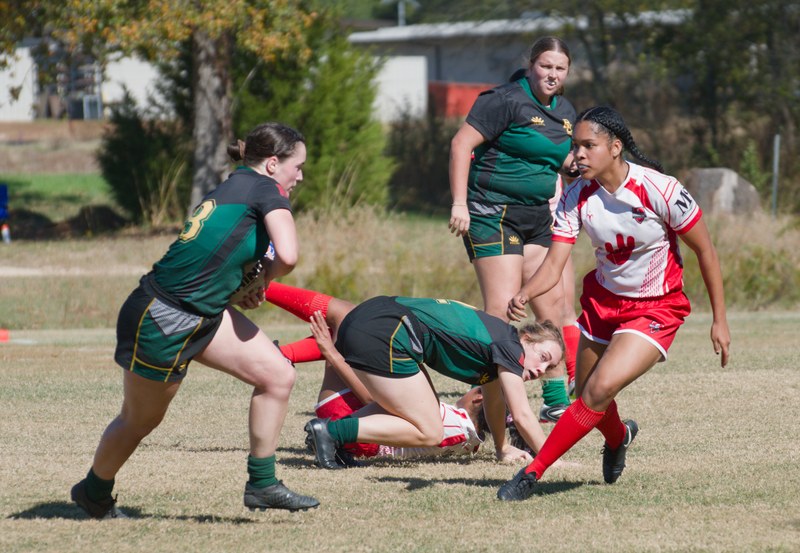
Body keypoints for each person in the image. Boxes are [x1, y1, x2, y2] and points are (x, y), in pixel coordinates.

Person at [70, 122, 319, 519]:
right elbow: (287, 256)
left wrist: (245, 281)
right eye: (298, 166)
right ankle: (93, 491)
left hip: (202, 313)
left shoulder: (235, 183)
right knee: (140, 421)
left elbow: (221, 252)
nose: (300, 175)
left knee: (277, 375)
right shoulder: (266, 189)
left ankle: (263, 483)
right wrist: (264, 276)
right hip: (165, 316)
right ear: (273, 164)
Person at [497, 106, 731, 501]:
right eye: (576, 146)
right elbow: (555, 263)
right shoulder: (576, 196)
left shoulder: (661, 189)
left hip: (656, 307)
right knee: (586, 393)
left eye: (589, 145)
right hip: (603, 305)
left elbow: (706, 251)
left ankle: (532, 473)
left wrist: (719, 320)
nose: (579, 154)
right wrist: (526, 292)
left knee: (598, 389)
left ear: (616, 147)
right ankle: (620, 436)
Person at [448, 37, 577, 421]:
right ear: (531, 64)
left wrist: (581, 164)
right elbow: (460, 145)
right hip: (492, 213)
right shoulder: (503, 99)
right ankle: (494, 410)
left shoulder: (567, 110)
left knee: (552, 308)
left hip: (538, 215)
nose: (552, 75)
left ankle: (555, 402)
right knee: (501, 315)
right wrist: (459, 204)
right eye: (546, 66)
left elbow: (559, 159)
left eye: (560, 68)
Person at [302, 295, 566, 470]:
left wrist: (502, 447)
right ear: (527, 338)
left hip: (374, 318)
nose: (541, 369)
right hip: (390, 331)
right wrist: (550, 460)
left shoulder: (500, 346)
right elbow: (521, 414)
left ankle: (329, 434)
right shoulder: (510, 348)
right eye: (542, 357)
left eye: (549, 367)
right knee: (431, 431)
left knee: (411, 409)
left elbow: (495, 402)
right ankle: (330, 433)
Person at [264, 282, 492, 463]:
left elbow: (374, 399)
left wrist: (331, 353)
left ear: (479, 398)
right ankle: (281, 354)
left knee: (346, 316)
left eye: (475, 387)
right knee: (349, 327)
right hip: (359, 432)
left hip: (350, 423)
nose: (469, 388)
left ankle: (259, 286)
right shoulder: (470, 440)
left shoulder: (456, 422)